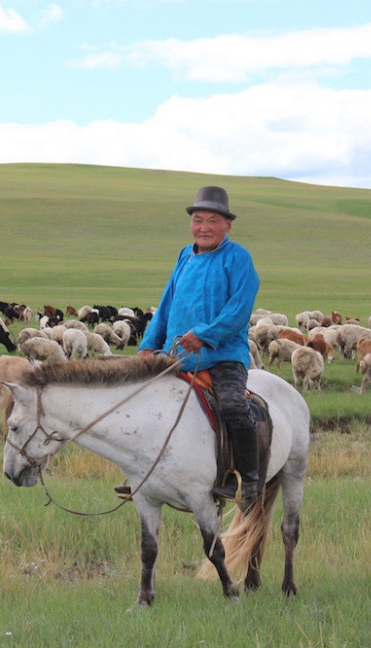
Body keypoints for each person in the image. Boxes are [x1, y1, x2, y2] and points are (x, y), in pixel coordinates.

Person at [131, 185, 262, 508]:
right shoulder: (184, 256)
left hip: (223, 356)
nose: (204, 227)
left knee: (232, 406)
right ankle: (145, 475)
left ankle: (248, 477)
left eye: (213, 221)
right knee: (142, 406)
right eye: (198, 220)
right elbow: (166, 306)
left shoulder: (238, 258)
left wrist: (204, 334)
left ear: (227, 225)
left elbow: (239, 309)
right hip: (177, 356)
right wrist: (148, 346)